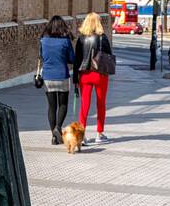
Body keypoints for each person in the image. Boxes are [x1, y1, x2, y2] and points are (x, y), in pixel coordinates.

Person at [73, 11, 113, 143]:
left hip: (84, 75)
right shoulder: (103, 38)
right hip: (99, 74)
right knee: (101, 104)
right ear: (98, 23)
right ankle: (99, 134)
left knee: (84, 105)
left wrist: (75, 79)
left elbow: (77, 60)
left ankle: (82, 135)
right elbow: (108, 55)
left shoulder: (81, 39)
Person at [37, 15, 75, 144]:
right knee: (63, 105)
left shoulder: (43, 40)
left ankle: (54, 136)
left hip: (47, 77)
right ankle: (58, 128)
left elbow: (41, 56)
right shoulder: (65, 41)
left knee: (51, 107)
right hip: (62, 75)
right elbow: (72, 59)